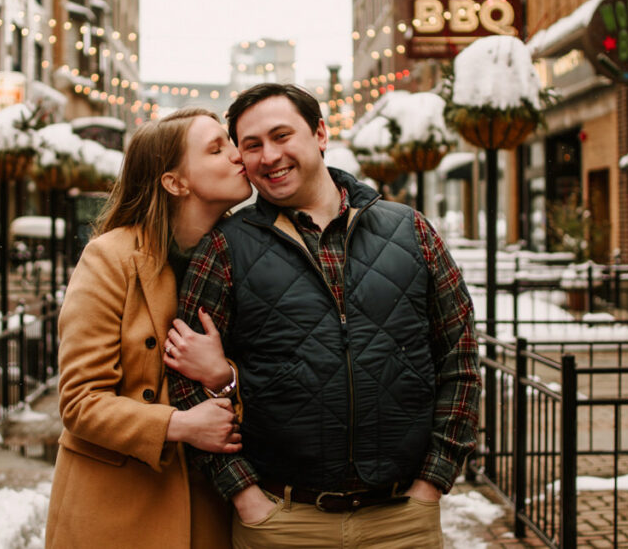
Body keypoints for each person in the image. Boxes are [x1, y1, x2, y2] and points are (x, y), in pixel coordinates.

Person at [170, 83, 481, 548]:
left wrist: (432, 484)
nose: (269, 155)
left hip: (402, 522)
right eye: (251, 145)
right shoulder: (224, 247)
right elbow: (186, 383)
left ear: (319, 133)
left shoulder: (411, 231)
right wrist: (245, 496)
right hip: (282, 521)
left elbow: (460, 358)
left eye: (281, 135)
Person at [45, 108, 252, 549]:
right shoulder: (111, 258)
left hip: (210, 506)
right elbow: (80, 401)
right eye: (217, 148)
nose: (238, 155)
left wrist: (224, 375)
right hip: (116, 510)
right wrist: (179, 425)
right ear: (175, 182)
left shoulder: (246, 254)